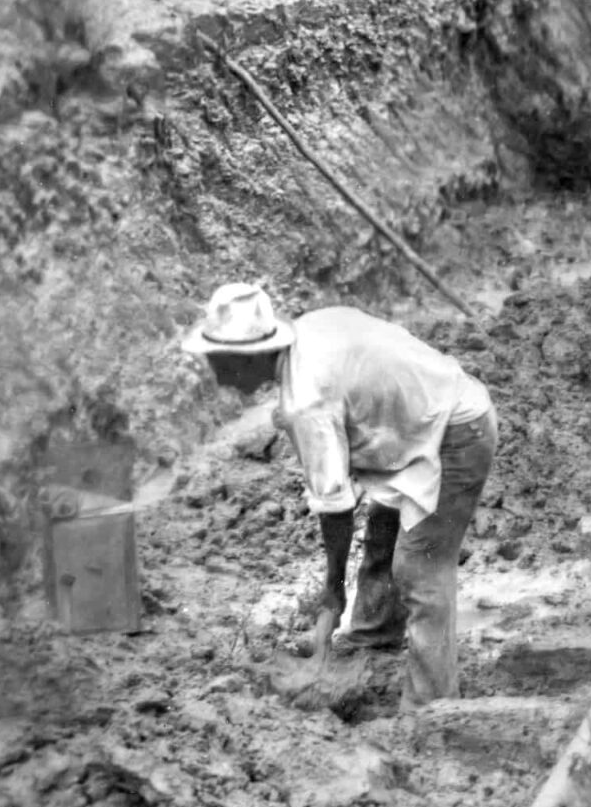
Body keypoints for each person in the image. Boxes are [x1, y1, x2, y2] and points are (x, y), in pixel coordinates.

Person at [180, 283, 498, 703]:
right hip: (415, 426)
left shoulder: (306, 399)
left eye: (216, 358)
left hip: (455, 431)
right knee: (385, 523)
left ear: (247, 357)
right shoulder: (309, 331)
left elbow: (335, 507)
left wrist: (333, 586)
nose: (211, 369)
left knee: (420, 566)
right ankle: (374, 635)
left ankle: (432, 704)